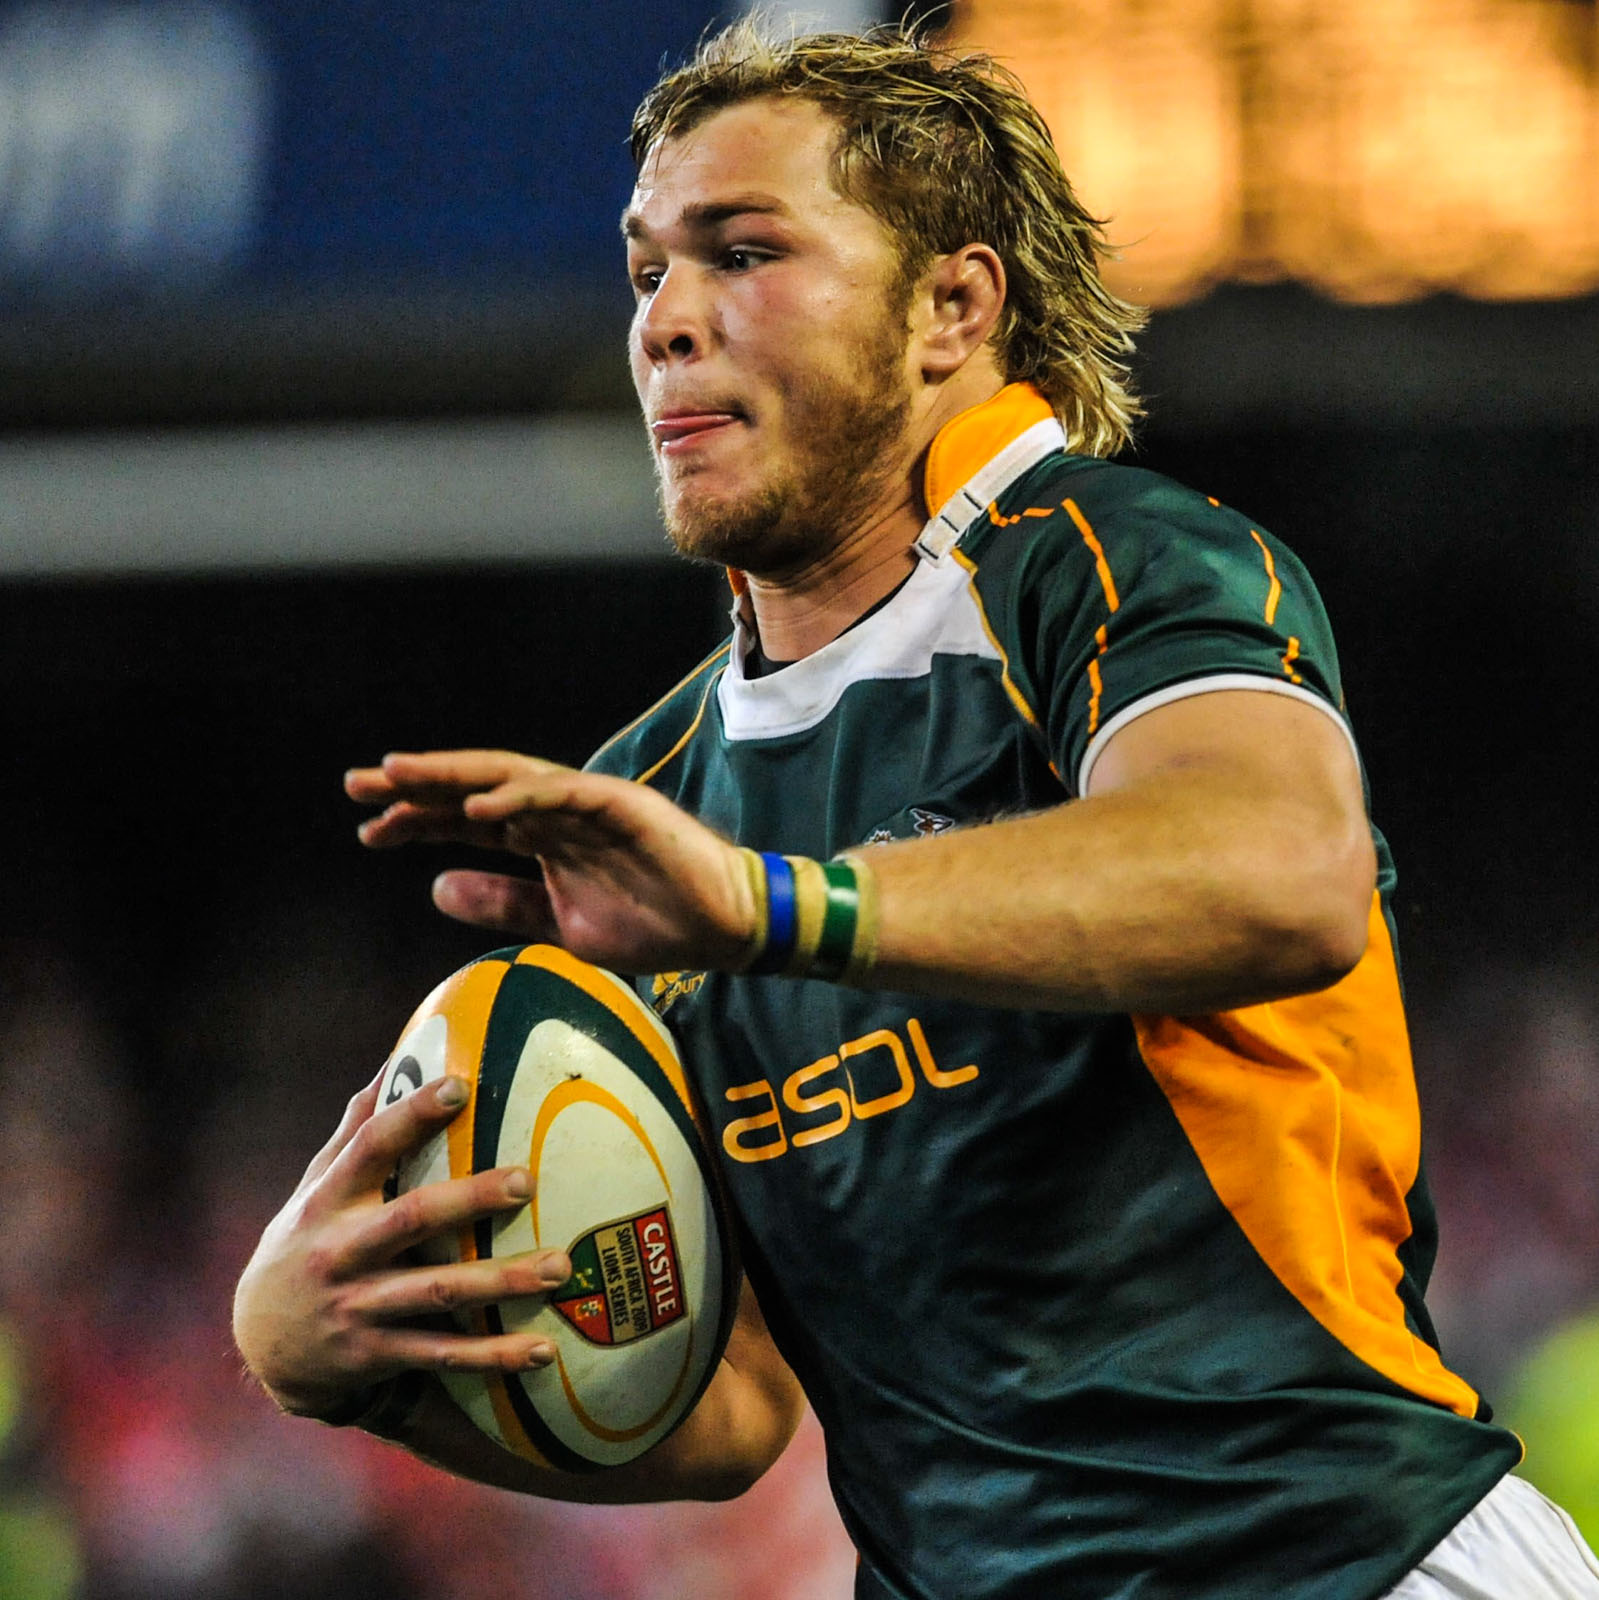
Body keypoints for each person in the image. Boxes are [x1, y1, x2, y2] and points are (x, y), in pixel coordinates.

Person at [234, 23, 1599, 1600]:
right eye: (645, 273)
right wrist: (368, 1370)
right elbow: (726, 1398)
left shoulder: (1110, 568)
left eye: (741, 252)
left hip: (1343, 1563)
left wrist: (775, 908)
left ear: (953, 305)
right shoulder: (650, 802)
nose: (668, 323)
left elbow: (1281, 872)